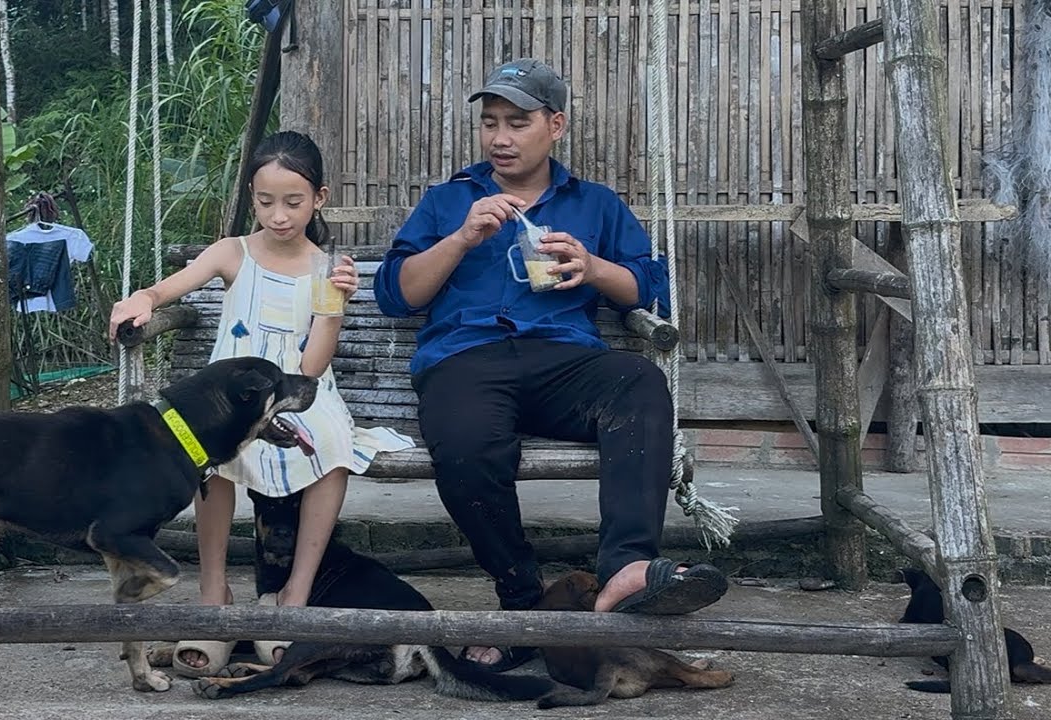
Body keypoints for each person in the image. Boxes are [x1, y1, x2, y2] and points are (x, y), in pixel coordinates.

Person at [373, 59, 728, 672]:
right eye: (489, 124)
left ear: (554, 125)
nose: (500, 138)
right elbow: (395, 294)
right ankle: (521, 597)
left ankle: (626, 570)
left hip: (562, 360)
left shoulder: (593, 204)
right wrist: (460, 239)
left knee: (638, 381)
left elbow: (654, 289)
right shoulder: (450, 200)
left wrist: (593, 269)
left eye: (518, 122)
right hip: (467, 358)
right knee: (463, 445)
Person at [109, 130, 414, 677]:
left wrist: (336, 307)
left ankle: (294, 595)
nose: (278, 215)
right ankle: (213, 593)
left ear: (319, 199)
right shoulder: (234, 252)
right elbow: (168, 289)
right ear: (252, 197)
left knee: (333, 442)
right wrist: (142, 297)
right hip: (227, 395)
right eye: (266, 201)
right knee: (215, 449)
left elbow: (313, 369)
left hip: (296, 393)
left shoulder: (326, 268)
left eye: (293, 203)